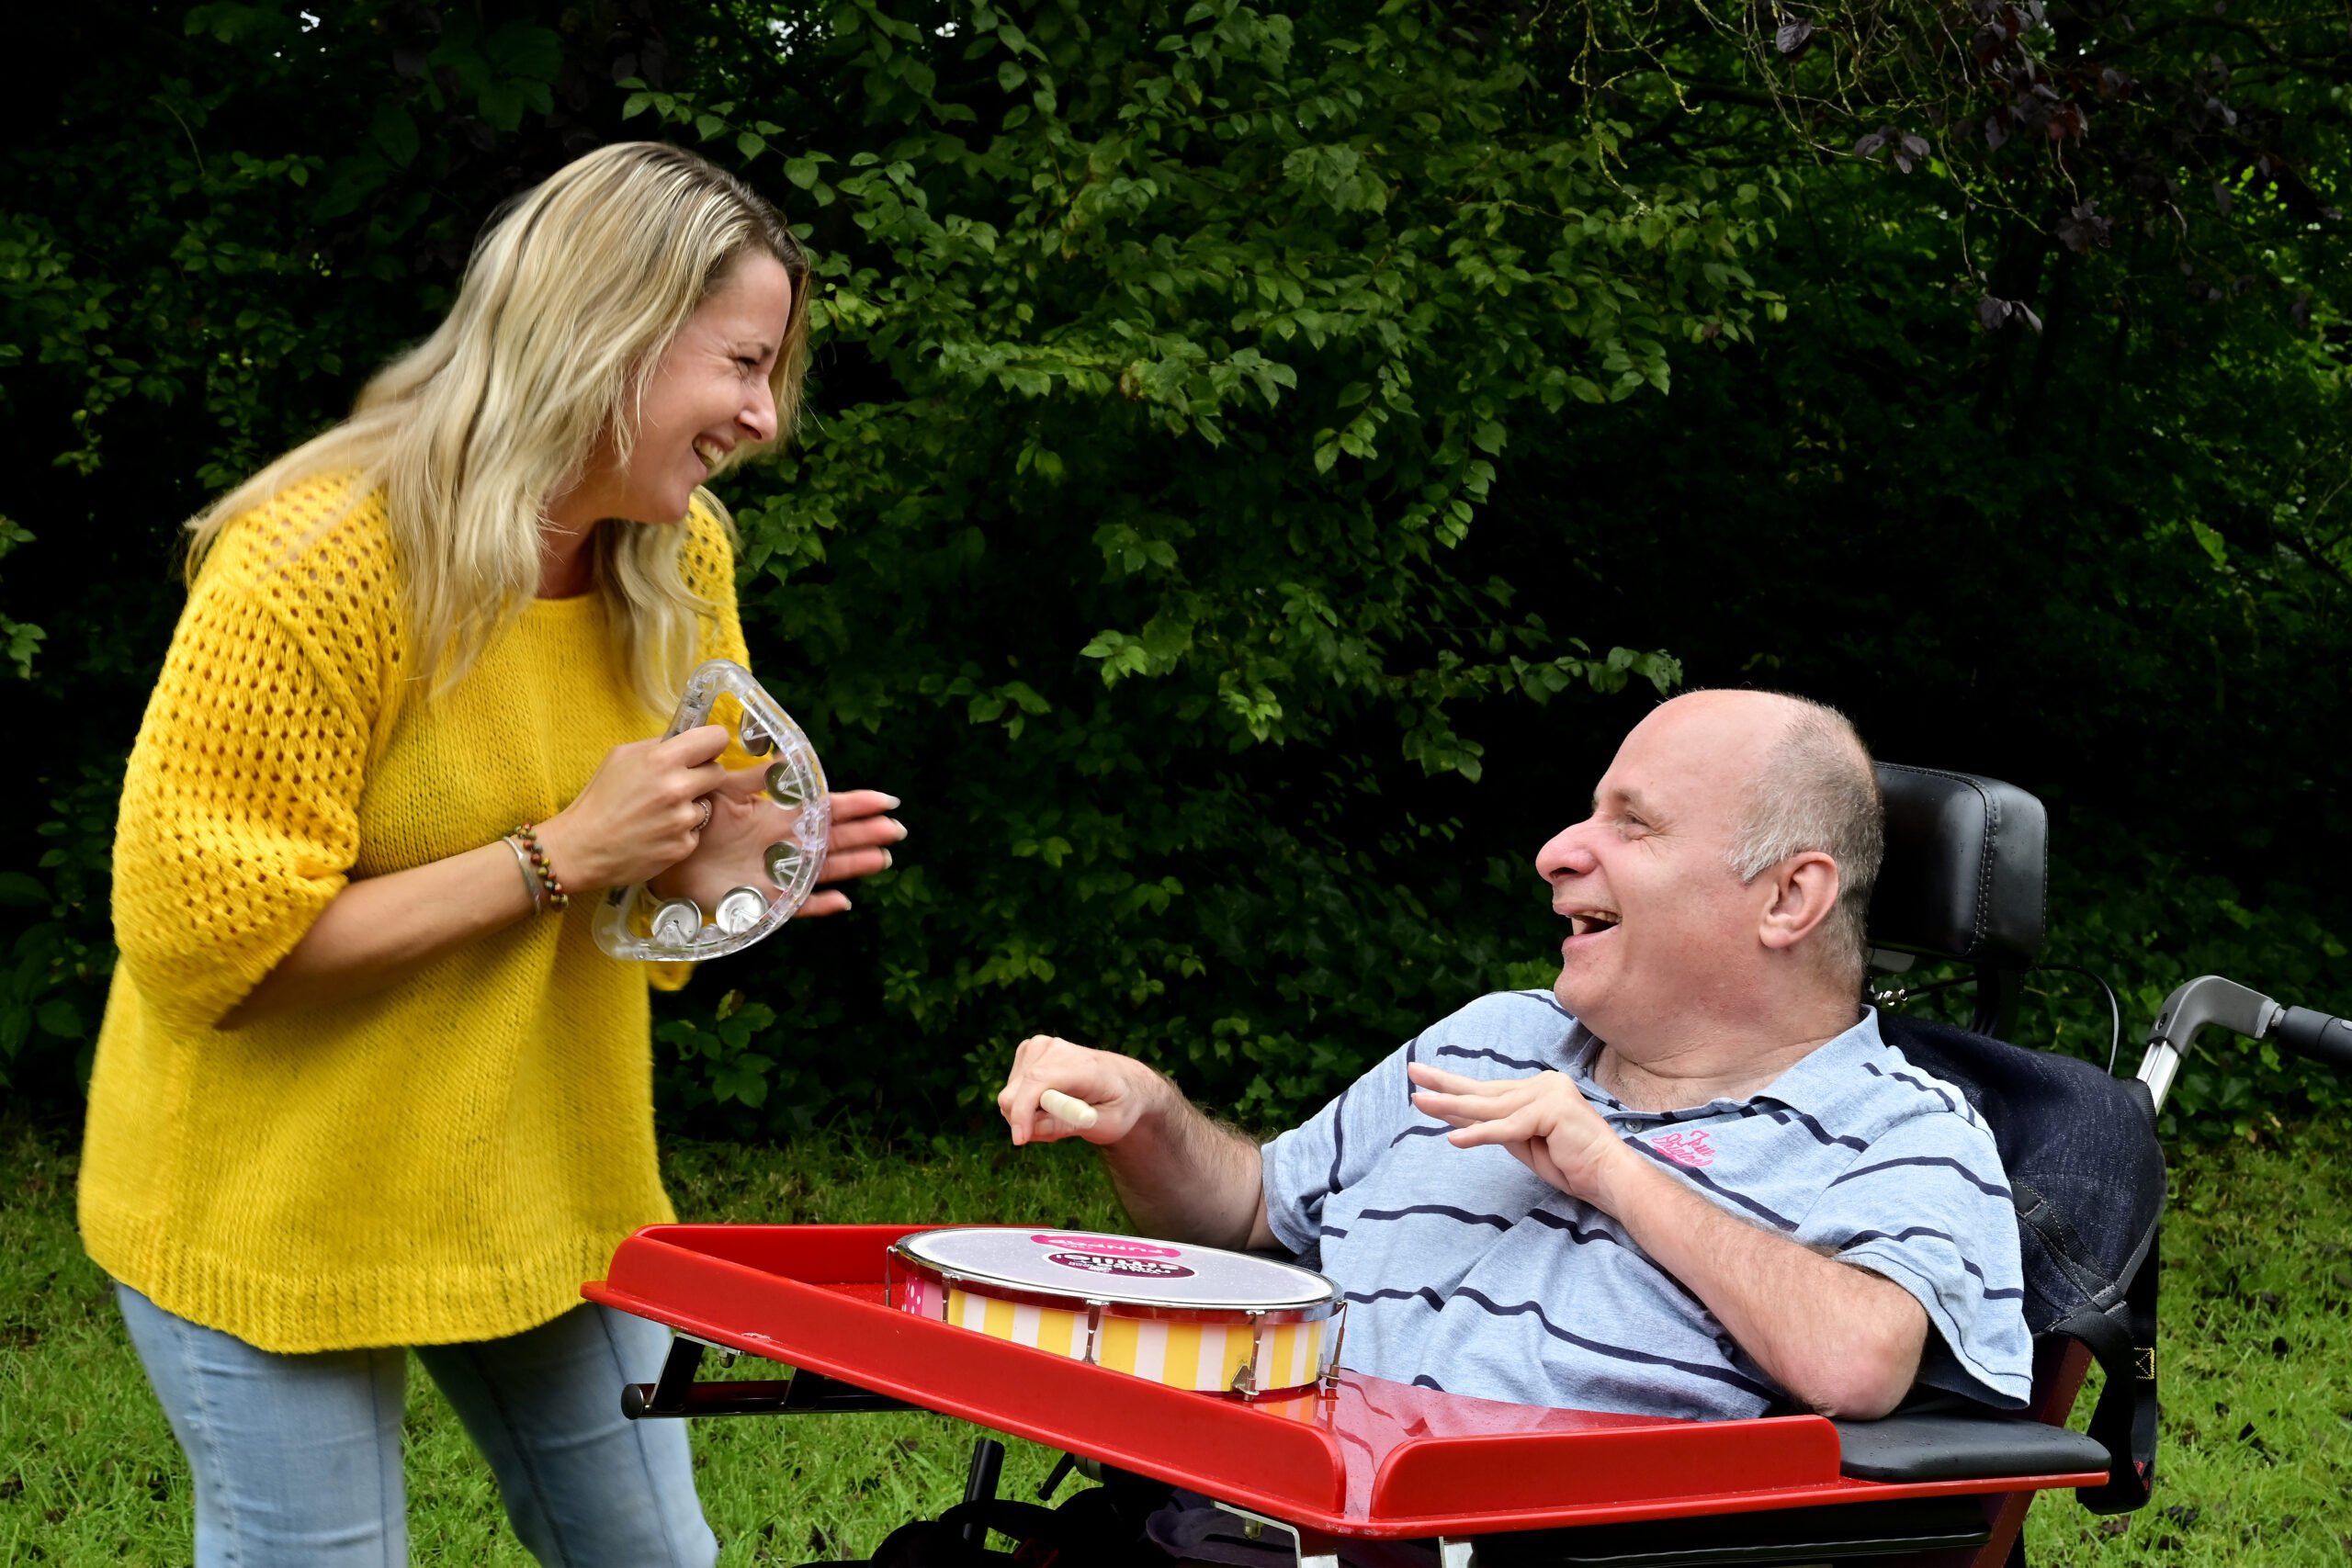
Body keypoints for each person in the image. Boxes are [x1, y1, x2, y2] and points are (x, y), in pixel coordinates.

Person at [78, 142, 905, 1568]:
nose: (766, 418)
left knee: (658, 1554)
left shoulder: (674, 555)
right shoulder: (318, 566)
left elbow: (635, 892)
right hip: (275, 1198)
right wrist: (561, 853)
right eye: (743, 364)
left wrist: (702, 886)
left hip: (543, 1181)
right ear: (612, 332)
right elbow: (207, 949)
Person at [998, 690, 2030, 1425]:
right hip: (1245, 1505)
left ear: (1787, 899)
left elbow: (1859, 1360)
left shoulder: (1902, 1129)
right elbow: (1252, 1209)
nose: (1557, 851)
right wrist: (1149, 1117)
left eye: (1633, 824)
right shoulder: (1494, 1033)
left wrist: (1615, 1172)